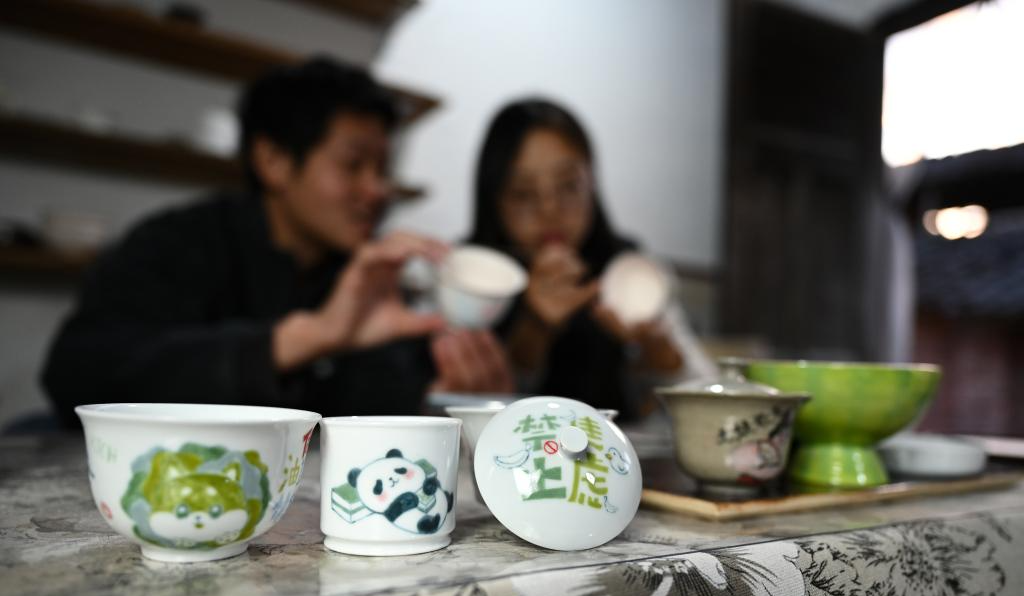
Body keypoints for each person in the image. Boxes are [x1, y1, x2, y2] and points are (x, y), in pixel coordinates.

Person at [43, 58, 512, 427]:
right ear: (273, 161)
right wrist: (305, 338)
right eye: (353, 165)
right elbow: (76, 372)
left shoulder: (364, 278)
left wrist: (438, 402)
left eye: (383, 169)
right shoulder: (181, 242)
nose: (377, 190)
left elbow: (360, 412)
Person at [468, 98, 714, 420]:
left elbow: (708, 392)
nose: (549, 209)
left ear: (591, 184)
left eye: (568, 186)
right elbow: (464, 407)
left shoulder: (629, 270)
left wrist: (660, 355)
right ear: (494, 201)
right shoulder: (467, 276)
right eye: (523, 193)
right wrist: (534, 328)